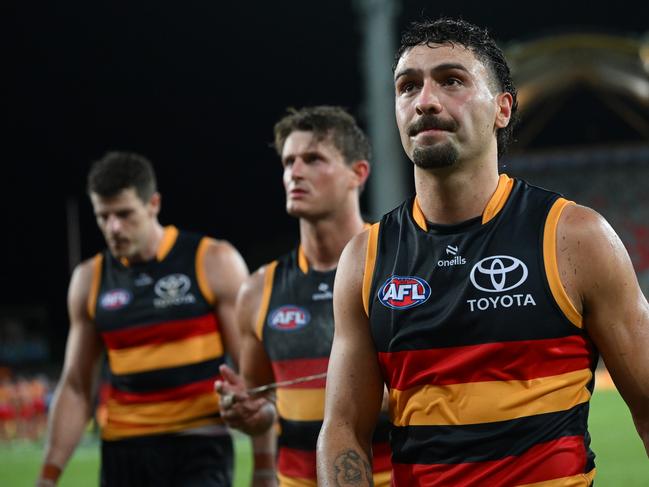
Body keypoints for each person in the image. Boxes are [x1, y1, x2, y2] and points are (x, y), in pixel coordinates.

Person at [317, 18, 649, 486]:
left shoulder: (575, 237)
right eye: (408, 87)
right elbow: (344, 429)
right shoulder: (365, 259)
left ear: (503, 109)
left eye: (451, 81)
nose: (425, 101)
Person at [38, 152, 248, 486]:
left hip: (199, 444)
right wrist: (48, 475)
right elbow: (77, 386)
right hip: (124, 449)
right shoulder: (89, 279)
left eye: (124, 214)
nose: (113, 227)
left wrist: (265, 465)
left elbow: (251, 371)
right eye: (103, 216)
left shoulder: (212, 260)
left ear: (153, 203)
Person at [215, 106, 392, 486]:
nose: (294, 172)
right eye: (288, 161)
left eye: (313, 159)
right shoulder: (258, 289)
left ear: (357, 174)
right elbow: (262, 404)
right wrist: (245, 411)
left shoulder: (400, 266)